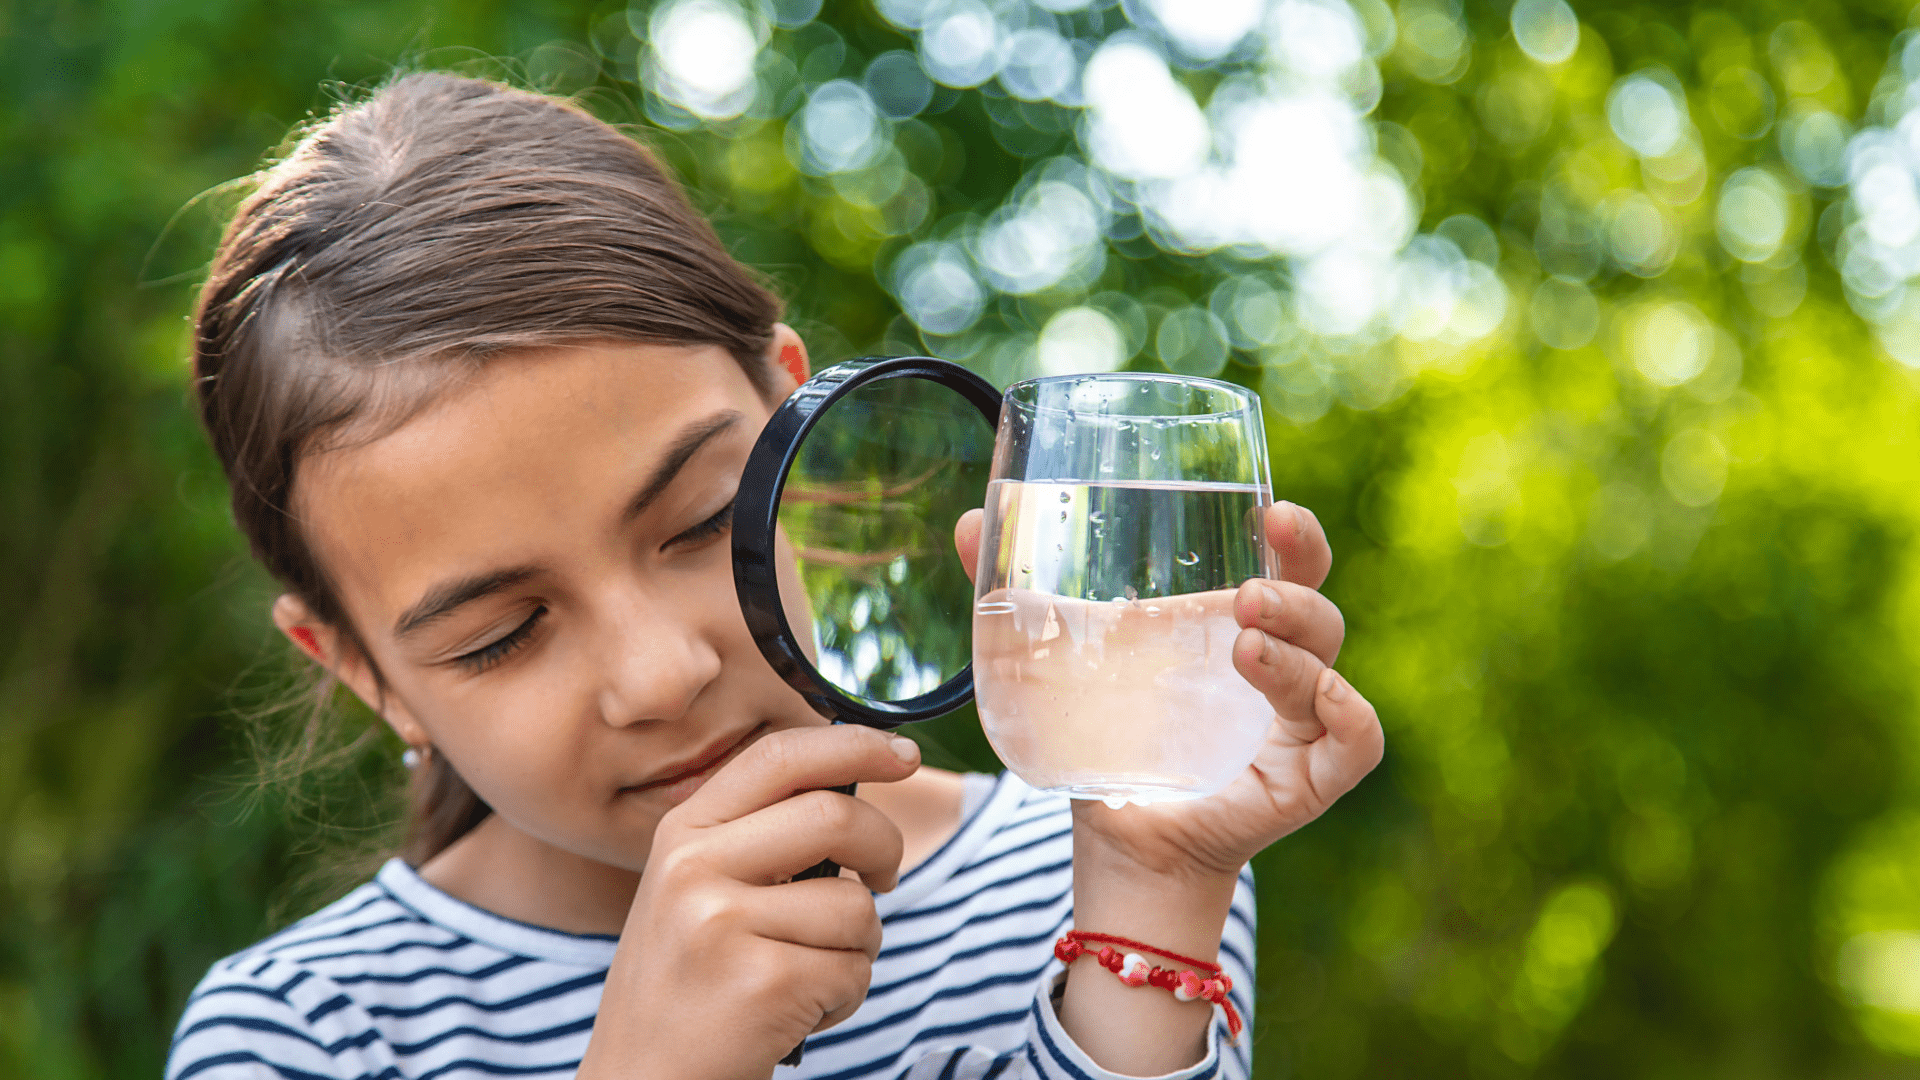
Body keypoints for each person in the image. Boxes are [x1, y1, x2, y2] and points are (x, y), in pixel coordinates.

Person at [165, 72, 1384, 1080]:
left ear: (795, 419)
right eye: (500, 632)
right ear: (365, 674)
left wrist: (1145, 895)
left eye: (701, 522)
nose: (660, 673)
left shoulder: (1084, 865)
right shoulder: (302, 1035)